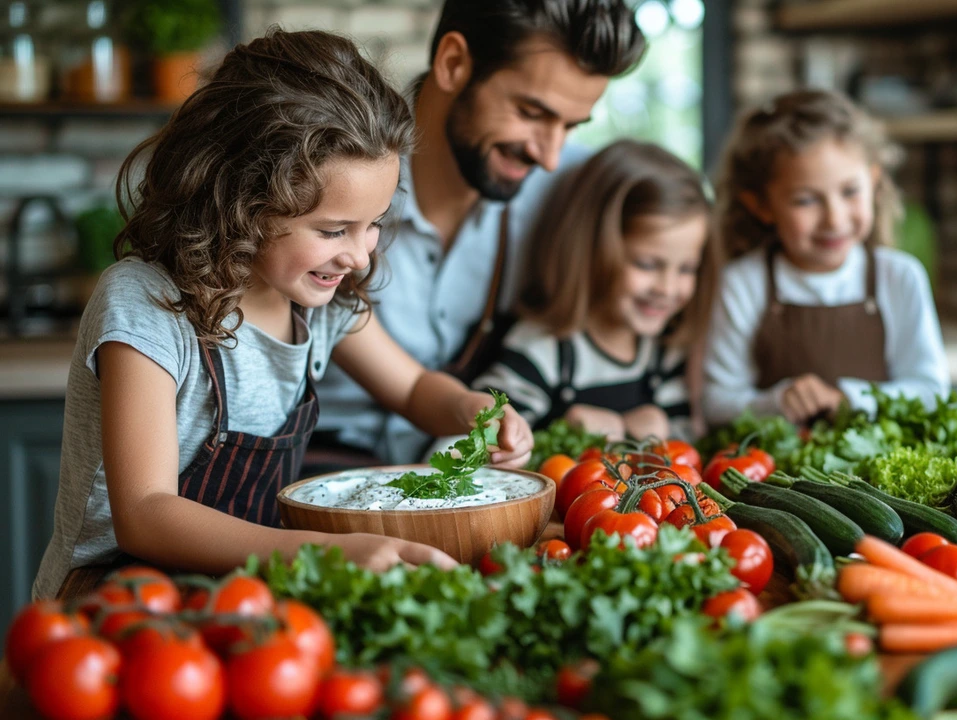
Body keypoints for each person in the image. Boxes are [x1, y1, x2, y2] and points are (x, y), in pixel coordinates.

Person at [34, 29, 533, 601]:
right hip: (116, 601)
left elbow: (415, 387)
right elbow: (146, 513)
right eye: (332, 230)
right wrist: (324, 550)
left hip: (240, 593)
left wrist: (471, 411)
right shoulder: (145, 303)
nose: (360, 253)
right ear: (239, 200)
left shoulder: (319, 305)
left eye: (373, 223)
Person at [311, 0, 647, 467]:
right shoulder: (330, 171)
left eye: (569, 126)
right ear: (453, 63)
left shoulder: (573, 190)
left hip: (470, 469)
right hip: (317, 460)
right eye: (531, 112)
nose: (549, 156)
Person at [703, 89, 949, 426]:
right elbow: (716, 403)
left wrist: (850, 399)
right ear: (760, 205)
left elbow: (932, 391)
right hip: (775, 475)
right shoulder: (745, 283)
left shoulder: (900, 277)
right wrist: (776, 403)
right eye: (806, 200)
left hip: (875, 475)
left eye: (850, 191)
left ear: (873, 181)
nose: (834, 219)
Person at [469, 140, 722, 442]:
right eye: (646, 264)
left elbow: (687, 452)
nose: (667, 288)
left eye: (686, 269)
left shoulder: (663, 355)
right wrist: (562, 428)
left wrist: (662, 430)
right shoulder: (543, 351)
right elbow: (474, 442)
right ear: (591, 251)